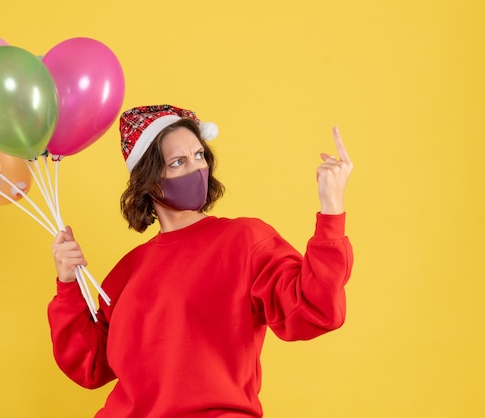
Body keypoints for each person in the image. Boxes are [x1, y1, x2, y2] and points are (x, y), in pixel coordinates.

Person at [48, 104, 354, 417]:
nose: (196, 169)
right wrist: (68, 284)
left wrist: (331, 210)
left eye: (199, 156)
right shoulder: (128, 270)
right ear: (148, 180)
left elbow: (314, 310)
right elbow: (91, 366)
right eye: (178, 162)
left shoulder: (244, 240)